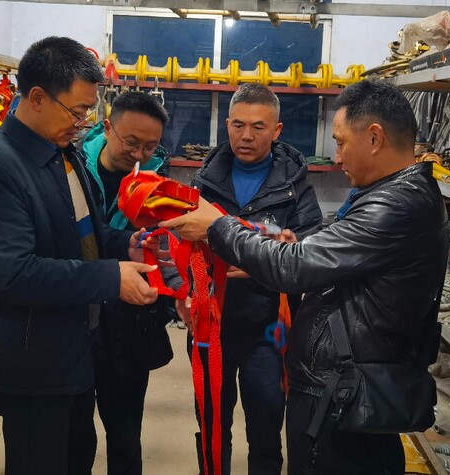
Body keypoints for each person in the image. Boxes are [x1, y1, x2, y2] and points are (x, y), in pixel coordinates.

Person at [161, 80, 448, 474]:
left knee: (272, 435)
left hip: (342, 384)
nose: (337, 155)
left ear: (374, 138)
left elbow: (293, 267)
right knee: (214, 425)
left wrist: (218, 226)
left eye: (341, 142)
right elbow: (320, 256)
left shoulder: (393, 206)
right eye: (238, 125)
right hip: (317, 372)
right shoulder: (391, 195)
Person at [0, 36, 159, 475]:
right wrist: (111, 278)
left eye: (88, 111)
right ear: (36, 98)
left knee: (77, 458)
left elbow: (81, 233)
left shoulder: (62, 154)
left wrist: (123, 245)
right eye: (77, 111)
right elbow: (14, 274)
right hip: (35, 368)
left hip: (75, 353)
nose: (83, 123)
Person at [183, 83, 322, 475]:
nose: (246, 135)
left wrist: (252, 260)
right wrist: (184, 287)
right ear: (227, 124)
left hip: (269, 331)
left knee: (265, 430)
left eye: (258, 127)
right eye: (238, 125)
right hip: (211, 325)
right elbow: (182, 244)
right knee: (212, 428)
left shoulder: (295, 188)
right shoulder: (204, 181)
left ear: (276, 130)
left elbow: (310, 251)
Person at [80, 91, 174, 475]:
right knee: (75, 435)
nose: (138, 155)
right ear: (107, 127)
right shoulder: (72, 170)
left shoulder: (157, 181)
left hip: (128, 321)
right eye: (131, 142)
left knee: (125, 433)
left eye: (150, 147)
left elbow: (166, 247)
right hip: (76, 317)